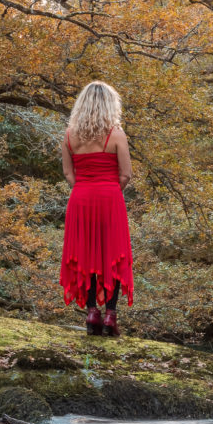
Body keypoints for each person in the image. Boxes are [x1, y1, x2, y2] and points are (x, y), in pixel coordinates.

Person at [60, 81, 134, 336]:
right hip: (110, 198)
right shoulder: (116, 135)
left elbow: (69, 174)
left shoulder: (69, 135)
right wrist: (109, 192)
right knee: (111, 253)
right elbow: (126, 174)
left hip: (81, 198)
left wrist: (85, 190)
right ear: (109, 105)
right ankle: (111, 315)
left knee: (86, 254)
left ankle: (92, 312)